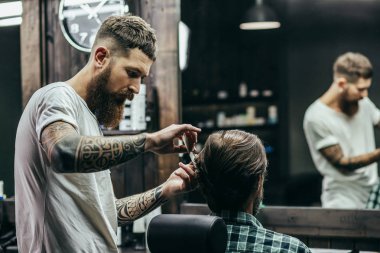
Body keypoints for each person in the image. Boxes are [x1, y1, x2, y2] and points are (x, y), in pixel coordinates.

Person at [14, 15, 200, 253]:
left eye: (141, 78)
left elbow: (106, 212)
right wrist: (150, 141)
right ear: (101, 57)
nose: (136, 88)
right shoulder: (56, 97)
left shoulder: (88, 120)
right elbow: (62, 153)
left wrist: (166, 189)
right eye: (132, 73)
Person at [194, 130, 311, 253]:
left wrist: (170, 190)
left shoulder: (185, 244)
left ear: (202, 182)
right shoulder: (290, 249)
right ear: (259, 181)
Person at [303, 52, 380, 209]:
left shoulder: (363, 102)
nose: (365, 94)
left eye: (367, 89)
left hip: (372, 190)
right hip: (342, 198)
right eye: (360, 89)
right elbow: (343, 163)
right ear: (341, 84)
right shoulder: (316, 117)